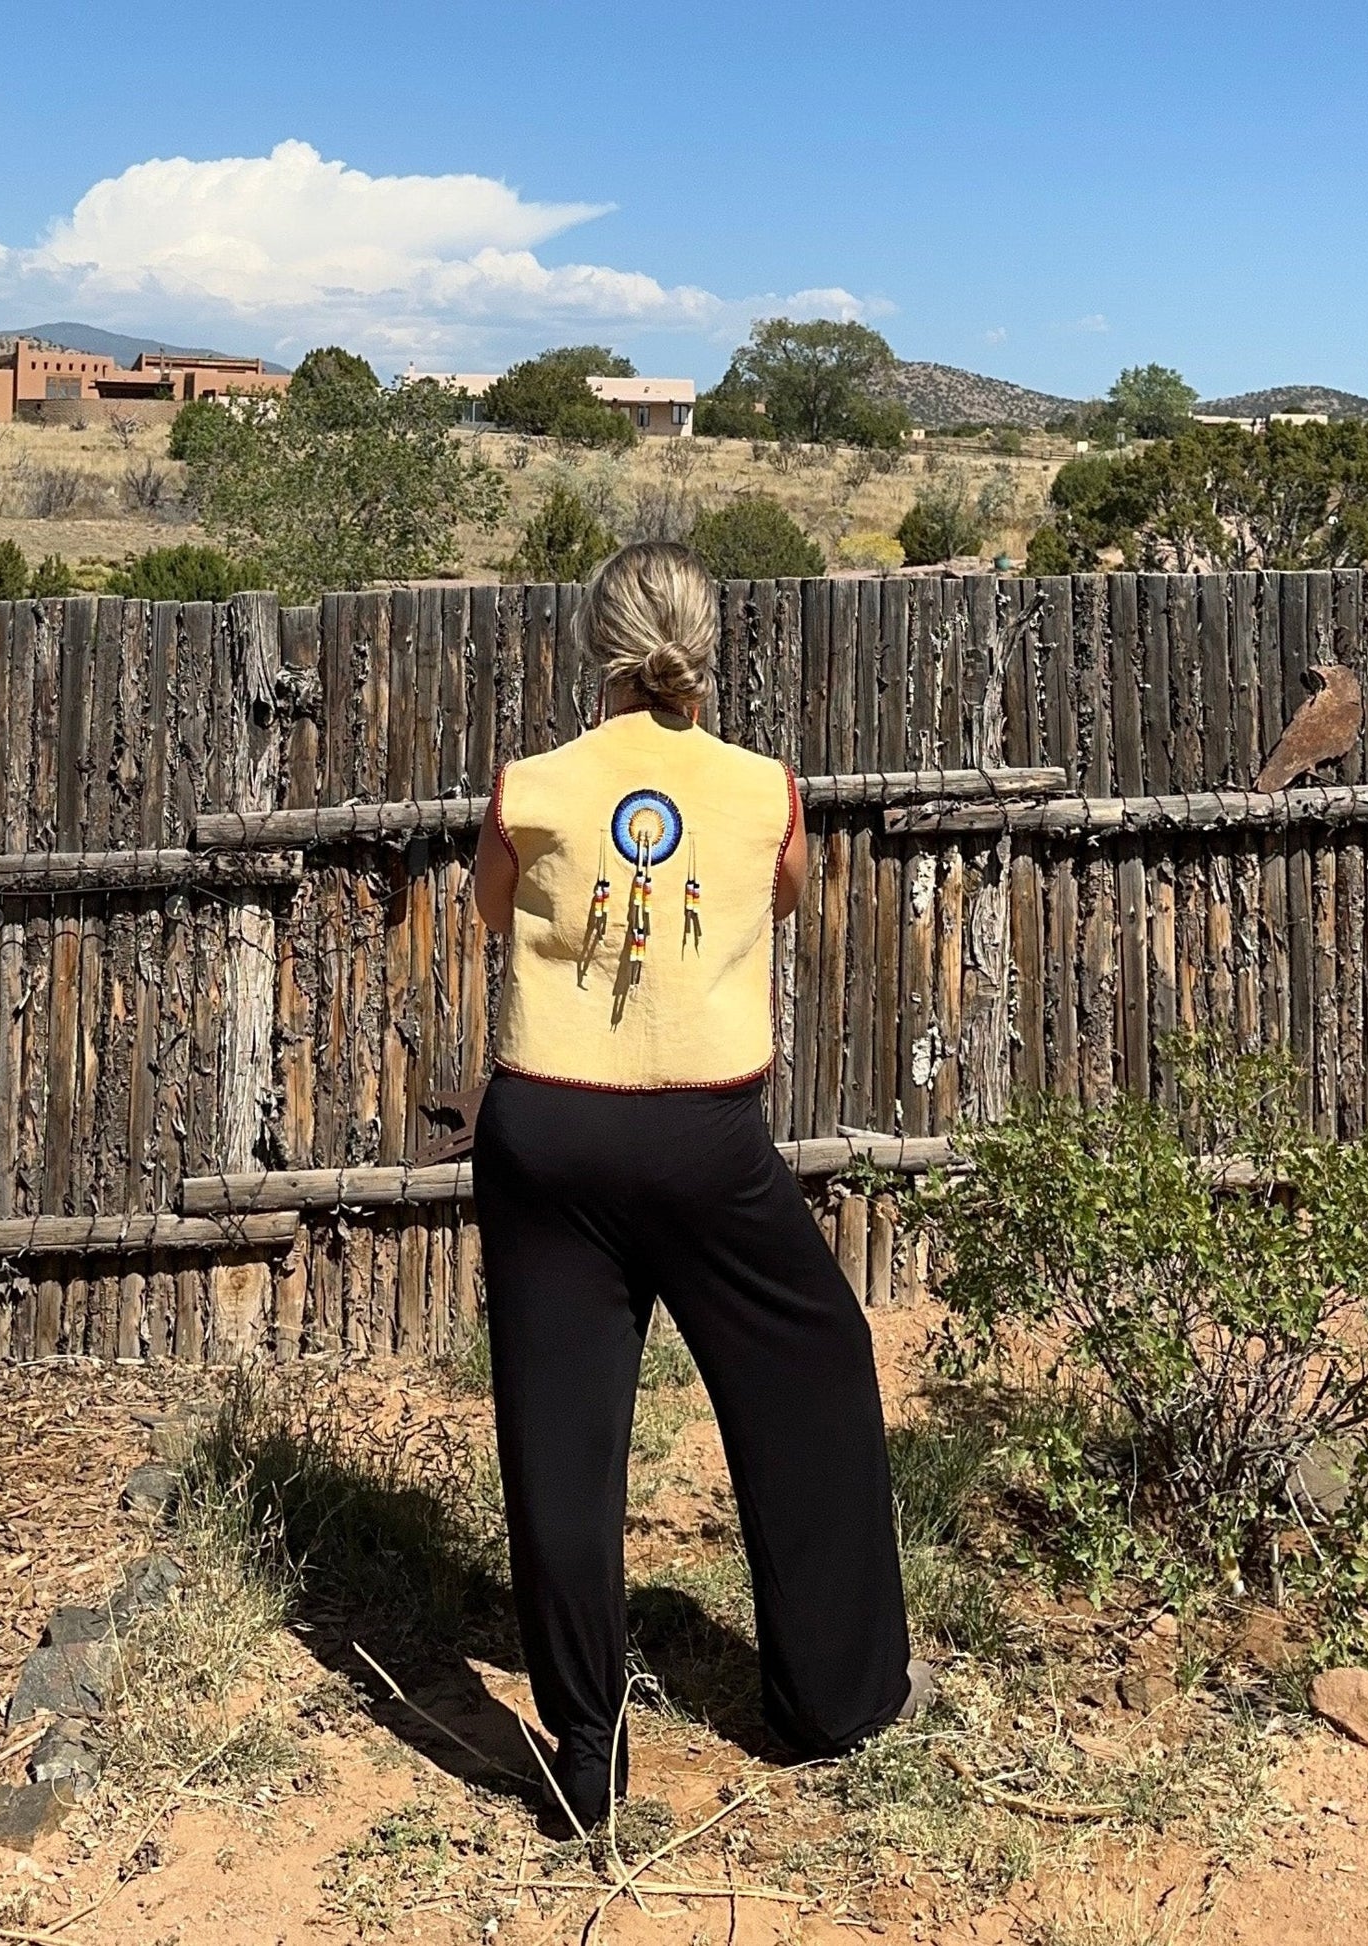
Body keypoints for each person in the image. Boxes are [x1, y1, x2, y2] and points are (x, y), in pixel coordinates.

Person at [471, 540, 926, 1828]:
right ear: (700, 646)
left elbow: (494, 913)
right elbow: (782, 902)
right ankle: (833, 1700)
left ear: (595, 646)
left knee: (561, 1433)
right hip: (705, 1143)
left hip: (548, 1133)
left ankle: (581, 1757)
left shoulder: (532, 785)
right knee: (817, 1361)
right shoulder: (762, 789)